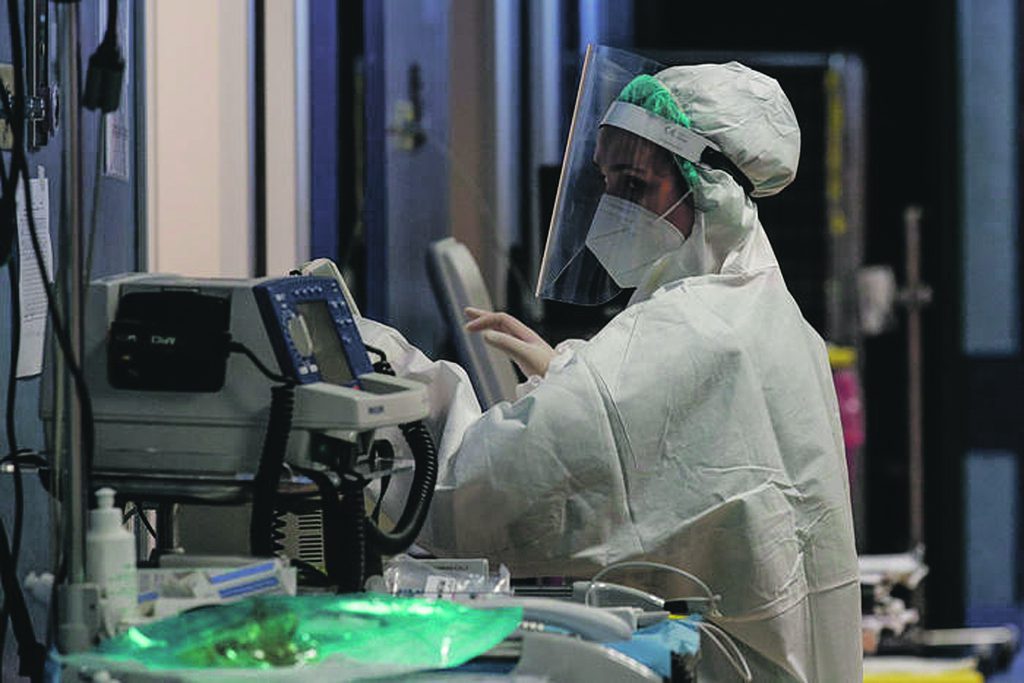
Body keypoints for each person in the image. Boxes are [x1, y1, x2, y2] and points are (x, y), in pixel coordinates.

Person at [358, 47, 862, 682]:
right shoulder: (760, 310)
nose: (612, 210)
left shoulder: (693, 333)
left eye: (635, 185)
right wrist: (569, 370)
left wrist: (378, 364)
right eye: (605, 184)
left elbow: (469, 491)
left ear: (708, 185)